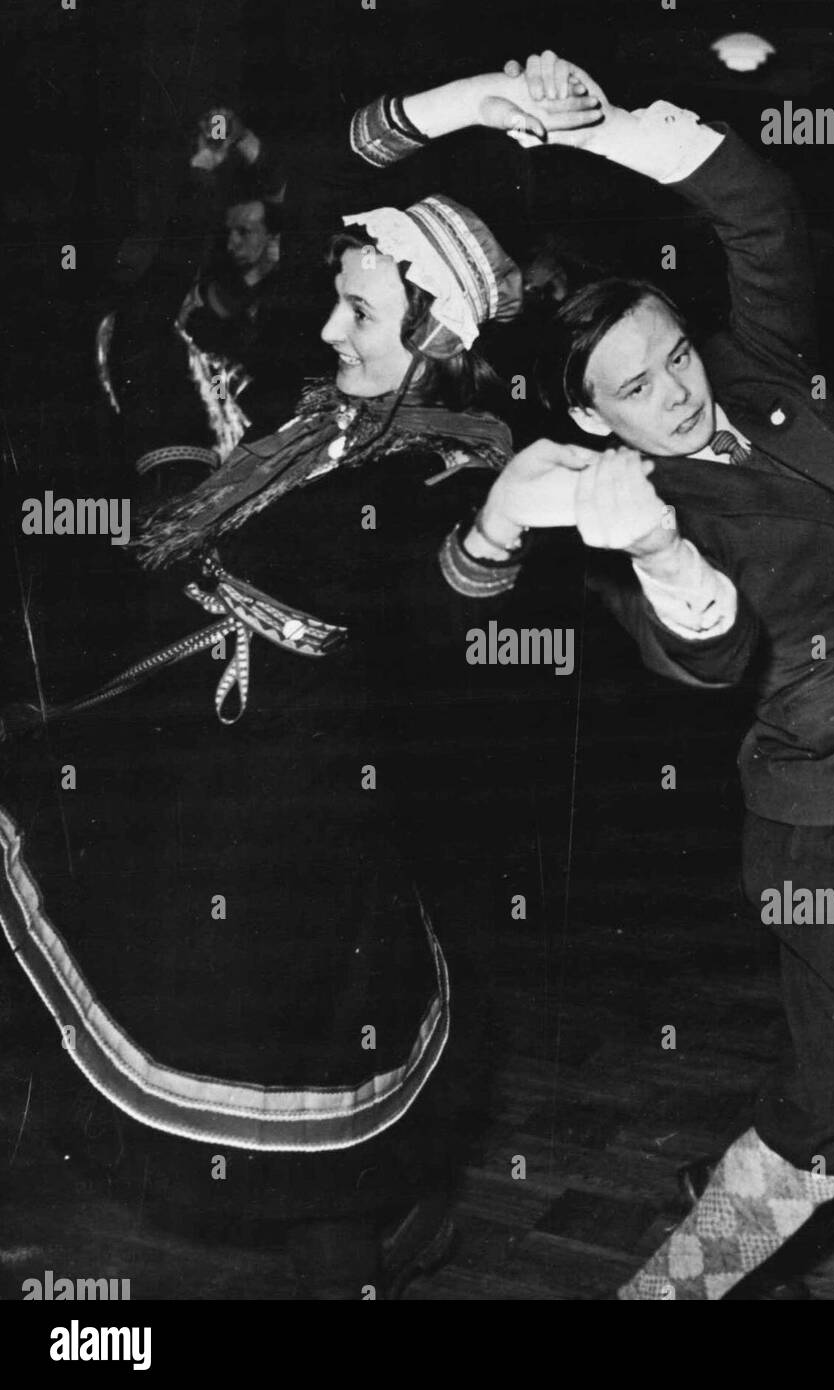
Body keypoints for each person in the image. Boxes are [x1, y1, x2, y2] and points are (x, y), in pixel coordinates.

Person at [0, 64, 603, 1300]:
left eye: (363, 316)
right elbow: (280, 228)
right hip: (224, 762)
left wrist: (498, 537)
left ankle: (364, 1257)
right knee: (297, 1051)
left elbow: (442, 596)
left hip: (290, 811)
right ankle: (382, 1239)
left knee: (295, 1060)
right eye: (338, 300)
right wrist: (464, 101)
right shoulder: (330, 412)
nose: (333, 328)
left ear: (436, 337)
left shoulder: (448, 466)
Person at [473, 52, 834, 1301]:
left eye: (674, 355)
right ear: (594, 421)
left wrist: (605, 124)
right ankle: (676, 1281)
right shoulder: (635, 521)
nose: (675, 391)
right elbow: (711, 655)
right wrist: (658, 544)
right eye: (634, 389)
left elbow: (762, 218)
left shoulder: (763, 383)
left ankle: (762, 1168)